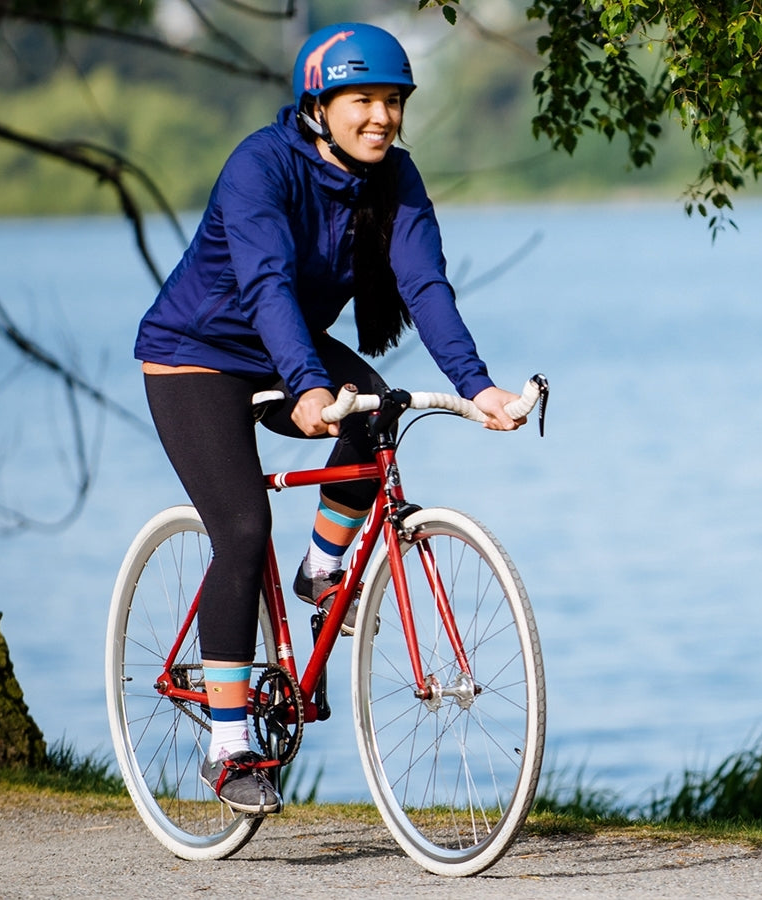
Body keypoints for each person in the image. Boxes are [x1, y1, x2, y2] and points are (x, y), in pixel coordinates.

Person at [133, 22, 524, 816]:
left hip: (290, 350)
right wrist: (307, 385)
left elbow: (425, 286)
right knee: (241, 532)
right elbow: (267, 283)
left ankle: (322, 568)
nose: (381, 117)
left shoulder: (395, 179)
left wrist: (478, 388)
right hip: (196, 355)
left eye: (393, 102)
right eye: (363, 101)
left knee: (374, 411)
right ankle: (230, 743)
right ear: (319, 105)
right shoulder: (259, 166)